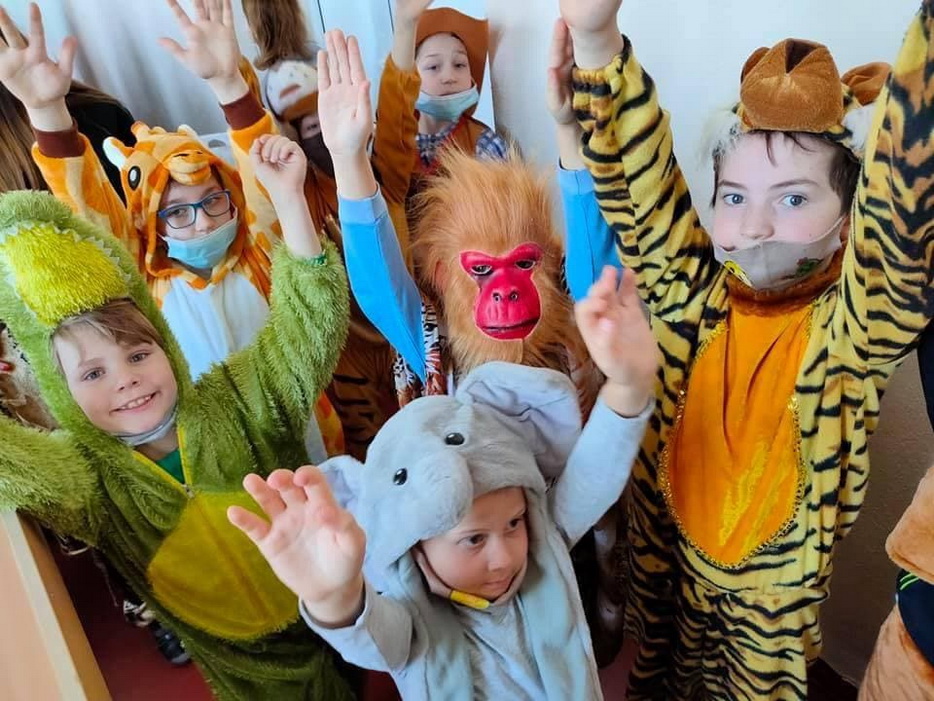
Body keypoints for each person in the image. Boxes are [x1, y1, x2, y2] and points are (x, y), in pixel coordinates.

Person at [559, 0, 934, 696]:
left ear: (848, 221)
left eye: (792, 200)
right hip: (669, 570)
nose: (755, 226)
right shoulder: (694, 296)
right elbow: (643, 197)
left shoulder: (847, 332)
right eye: (734, 197)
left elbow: (898, 232)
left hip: (769, 607)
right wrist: (595, 37)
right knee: (660, 679)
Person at [0, 118, 357, 700]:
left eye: (139, 353)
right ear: (61, 390)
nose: (126, 379)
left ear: (165, 345)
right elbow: (13, 462)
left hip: (332, 610)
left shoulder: (238, 396)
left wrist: (290, 202)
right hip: (243, 670)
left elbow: (306, 325)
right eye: (92, 373)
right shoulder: (88, 477)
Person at [229, 260, 659, 700]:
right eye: (473, 539)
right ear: (415, 546)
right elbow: (374, 639)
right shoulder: (411, 619)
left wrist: (628, 387)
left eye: (513, 523)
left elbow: (592, 475)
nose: (504, 557)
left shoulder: (542, 544)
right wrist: (332, 597)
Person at [0, 1, 343, 462]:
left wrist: (229, 86)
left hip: (307, 441)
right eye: (177, 213)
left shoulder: (258, 255)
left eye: (213, 201)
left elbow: (265, 184)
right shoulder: (143, 286)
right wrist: (46, 114)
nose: (202, 221)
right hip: (212, 458)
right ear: (149, 223)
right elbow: (90, 214)